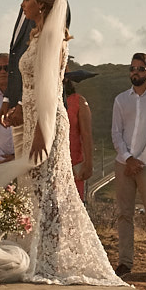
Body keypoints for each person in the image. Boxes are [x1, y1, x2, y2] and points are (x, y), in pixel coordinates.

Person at [0, 0, 122, 286]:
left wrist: (41, 131)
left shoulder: (51, 36)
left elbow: (49, 90)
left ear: (42, 4)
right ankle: (38, 254)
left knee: (49, 191)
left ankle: (48, 258)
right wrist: (22, 111)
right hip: (32, 115)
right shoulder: (36, 36)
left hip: (47, 120)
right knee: (33, 190)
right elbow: (32, 87)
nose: (23, 4)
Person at [110, 53, 146, 280]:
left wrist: (140, 160)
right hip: (124, 164)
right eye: (132, 68)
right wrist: (127, 158)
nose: (135, 72)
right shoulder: (120, 99)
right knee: (124, 215)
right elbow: (116, 132)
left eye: (140, 69)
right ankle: (124, 263)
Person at [0, 0, 57, 159]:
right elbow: (16, 57)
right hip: (18, 108)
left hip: (36, 111)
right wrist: (8, 99)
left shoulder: (53, 5)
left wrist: (24, 104)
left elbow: (44, 68)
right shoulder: (27, 4)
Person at [63, 69, 96, 199]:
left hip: (74, 164)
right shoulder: (44, 100)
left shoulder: (79, 101)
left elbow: (86, 134)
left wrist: (88, 163)